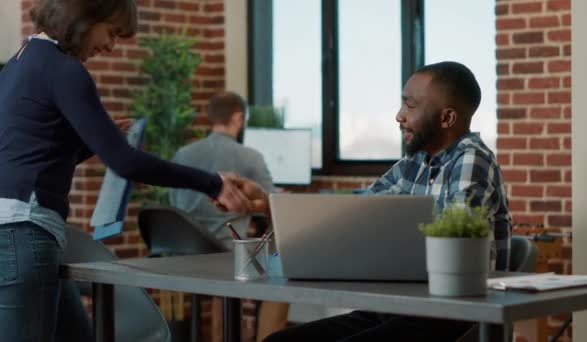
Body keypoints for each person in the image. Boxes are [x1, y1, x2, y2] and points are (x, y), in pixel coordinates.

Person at [0, 1, 254, 341]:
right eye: (112, 32)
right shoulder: (65, 69)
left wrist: (94, 143)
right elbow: (126, 162)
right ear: (84, 17)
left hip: (16, 232)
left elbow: (28, 157)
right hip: (23, 235)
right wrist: (213, 184)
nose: (111, 45)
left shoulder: (20, 62)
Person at [233, 61, 512, 341]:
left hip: (454, 312)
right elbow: (360, 207)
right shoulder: (415, 163)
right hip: (404, 305)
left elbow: (455, 238)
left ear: (447, 117)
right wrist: (268, 203)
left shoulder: (471, 158)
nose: (399, 116)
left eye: (410, 105)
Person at [170, 91, 275, 248]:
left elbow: (174, 203)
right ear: (238, 118)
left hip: (182, 251)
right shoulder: (251, 157)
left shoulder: (182, 154)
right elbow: (274, 206)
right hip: (226, 253)